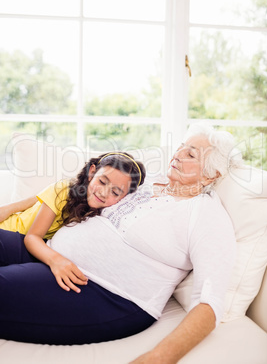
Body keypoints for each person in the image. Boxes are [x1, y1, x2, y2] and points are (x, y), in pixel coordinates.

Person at [0, 124, 243, 363]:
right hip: (49, 252)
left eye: (190, 154)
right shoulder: (149, 184)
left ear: (212, 174)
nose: (177, 155)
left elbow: (209, 302)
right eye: (181, 147)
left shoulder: (207, 215)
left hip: (102, 293)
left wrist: (158, 358)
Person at [0, 152, 146, 292]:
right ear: (92, 172)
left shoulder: (109, 213)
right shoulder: (65, 191)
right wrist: (56, 260)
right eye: (102, 181)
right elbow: (32, 237)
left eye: (115, 192)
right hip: (10, 233)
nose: (103, 192)